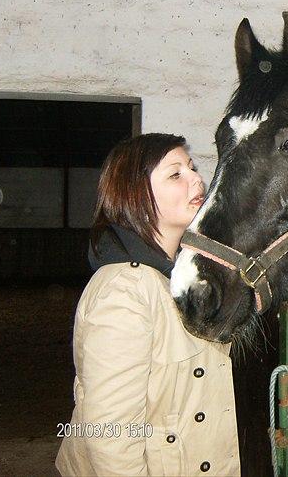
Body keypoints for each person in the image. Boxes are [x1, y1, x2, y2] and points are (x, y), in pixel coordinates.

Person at [56, 133, 240, 476]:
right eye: (176, 174)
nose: (197, 179)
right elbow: (110, 435)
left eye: (192, 168)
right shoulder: (124, 291)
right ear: (136, 195)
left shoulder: (176, 276)